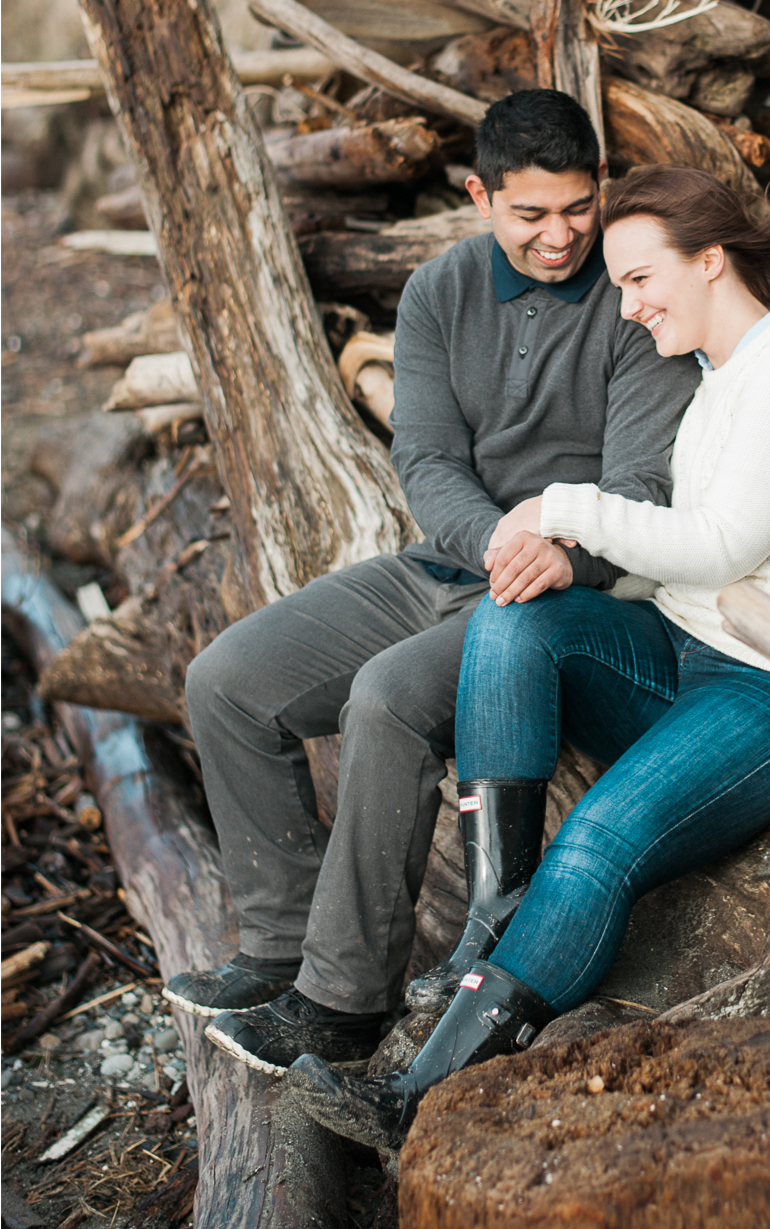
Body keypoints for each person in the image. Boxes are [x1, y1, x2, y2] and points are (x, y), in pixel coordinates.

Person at [285, 164, 770, 1148]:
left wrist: (560, 508)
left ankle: (412, 1105)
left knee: (598, 845)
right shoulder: (722, 372)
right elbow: (690, 562)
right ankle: (496, 914)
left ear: (712, 260)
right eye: (622, 286)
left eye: (642, 280)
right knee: (514, 621)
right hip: (689, 648)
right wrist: (563, 569)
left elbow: (725, 544)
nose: (630, 305)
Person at [162, 93, 700, 1076]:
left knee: (389, 702)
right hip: (452, 559)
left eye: (577, 207)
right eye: (529, 214)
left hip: (567, 591)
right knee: (228, 682)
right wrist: (496, 535)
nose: (558, 234)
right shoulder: (440, 291)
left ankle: (339, 1004)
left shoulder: (632, 295)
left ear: (601, 190)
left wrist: (562, 553)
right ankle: (280, 945)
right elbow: (426, 461)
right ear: (478, 195)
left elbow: (641, 487)